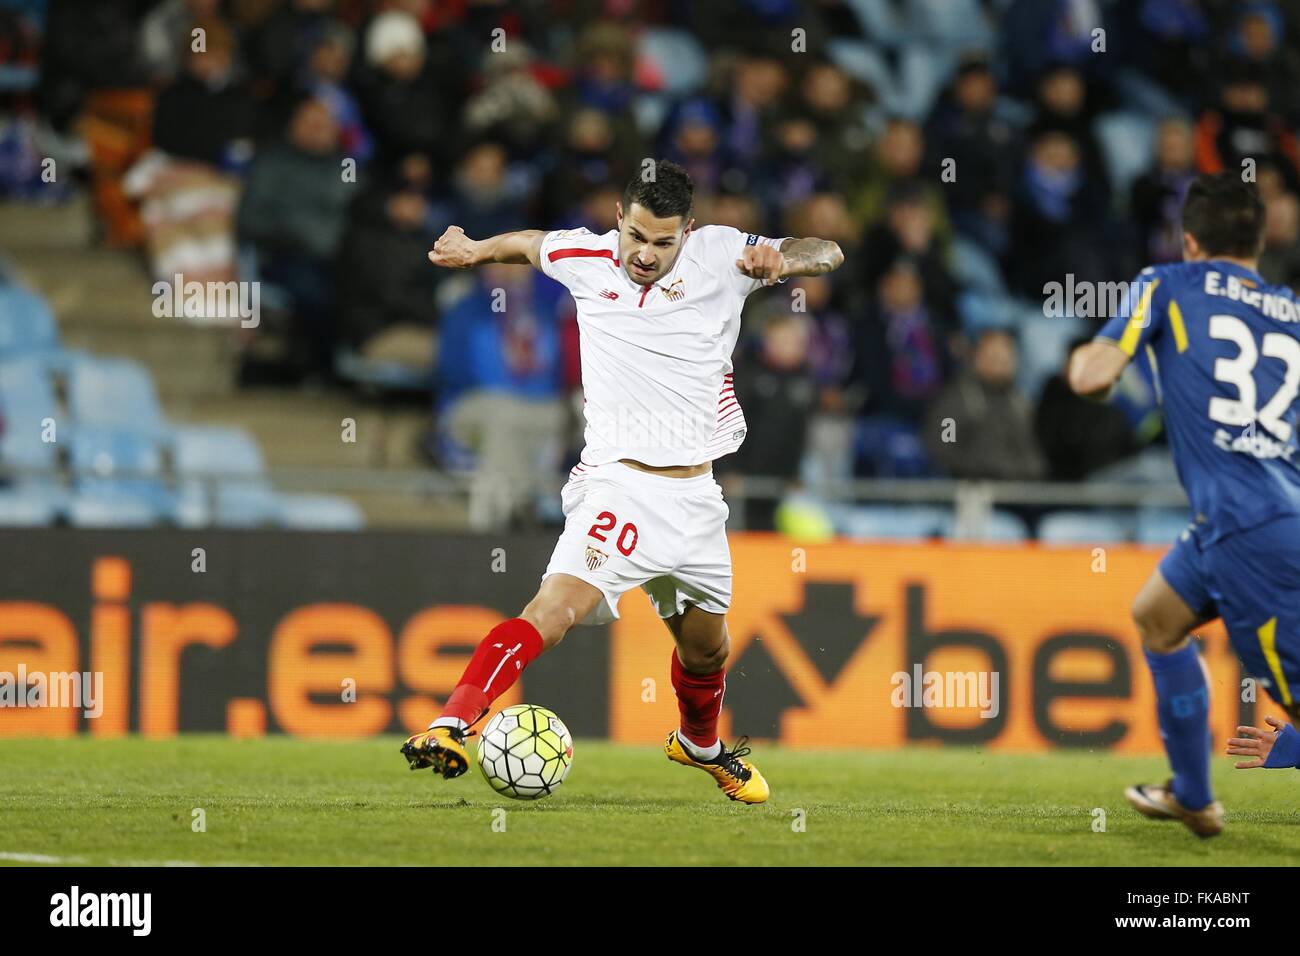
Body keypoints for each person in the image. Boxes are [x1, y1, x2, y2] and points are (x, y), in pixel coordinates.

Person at [403, 160, 844, 803]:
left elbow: (826, 250)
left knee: (707, 653)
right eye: (636, 236)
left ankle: (698, 745)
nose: (645, 253)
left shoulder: (723, 253)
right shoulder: (585, 253)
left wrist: (786, 261)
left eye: (663, 241)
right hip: (619, 486)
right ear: (619, 220)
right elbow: (528, 243)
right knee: (554, 610)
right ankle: (451, 722)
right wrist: (475, 251)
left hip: (697, 497)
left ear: (687, 232)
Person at [1069, 173, 1300, 838]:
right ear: (1259, 241)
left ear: (1190, 242)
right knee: (1157, 618)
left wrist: (1088, 360)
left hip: (1249, 530)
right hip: (1251, 514)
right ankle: (1194, 796)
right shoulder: (1289, 308)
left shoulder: (1166, 284)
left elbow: (1095, 373)